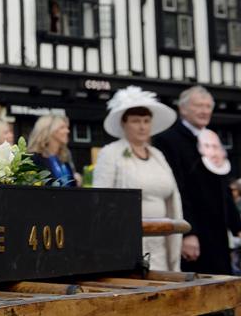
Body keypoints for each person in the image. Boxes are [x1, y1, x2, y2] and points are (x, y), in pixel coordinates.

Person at [153, 86, 241, 275]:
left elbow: (222, 186)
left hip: (218, 229)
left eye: (208, 106)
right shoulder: (168, 140)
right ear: (183, 109)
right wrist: (188, 233)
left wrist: (237, 225)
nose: (204, 111)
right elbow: (177, 189)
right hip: (195, 232)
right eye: (198, 106)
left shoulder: (211, 138)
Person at [93, 86, 181, 271]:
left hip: (161, 241)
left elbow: (172, 196)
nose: (142, 126)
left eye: (146, 121)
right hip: (127, 241)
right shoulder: (111, 153)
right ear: (124, 124)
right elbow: (100, 199)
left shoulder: (158, 155)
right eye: (135, 121)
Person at [27, 114, 79, 186]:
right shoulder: (34, 159)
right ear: (49, 131)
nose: (67, 131)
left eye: (67, 127)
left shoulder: (64, 158)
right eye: (62, 127)